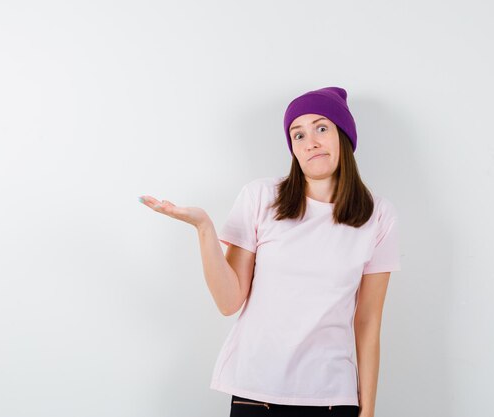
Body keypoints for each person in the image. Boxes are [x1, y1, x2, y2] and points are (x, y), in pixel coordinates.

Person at [138, 86, 402, 417]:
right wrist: (204, 228)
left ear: (344, 136)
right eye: (298, 135)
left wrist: (369, 412)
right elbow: (229, 301)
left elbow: (367, 322)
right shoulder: (261, 198)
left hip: (332, 399)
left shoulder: (378, 216)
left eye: (322, 128)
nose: (311, 142)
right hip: (255, 395)